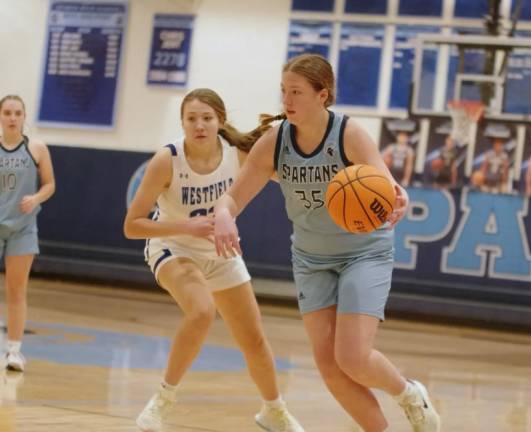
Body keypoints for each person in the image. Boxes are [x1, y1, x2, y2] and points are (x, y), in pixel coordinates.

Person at [211, 54, 440, 432]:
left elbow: (387, 186)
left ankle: (408, 394)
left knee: (353, 357)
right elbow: (232, 198)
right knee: (329, 368)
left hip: (364, 253)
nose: (287, 99)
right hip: (311, 259)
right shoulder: (274, 142)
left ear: (323, 95)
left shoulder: (349, 135)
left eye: (297, 92)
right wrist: (223, 215)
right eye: (284, 91)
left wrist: (400, 197)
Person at [123, 88, 303, 432]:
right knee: (202, 311)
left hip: (220, 251)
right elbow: (132, 225)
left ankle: (274, 410)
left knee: (254, 339)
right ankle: (162, 400)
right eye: (191, 119)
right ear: (182, 123)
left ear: (220, 121)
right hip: (172, 247)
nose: (200, 125)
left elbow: (291, 176)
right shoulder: (167, 159)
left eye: (207, 118)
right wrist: (185, 226)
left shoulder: (238, 155)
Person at [0, 95, 55, 372]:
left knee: (16, 289)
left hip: (22, 227)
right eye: (7, 112)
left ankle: (14, 351)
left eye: (17, 113)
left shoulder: (37, 148)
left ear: (24, 117)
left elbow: (50, 184)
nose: (12, 117)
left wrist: (36, 198)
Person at [380, 119, 416, 188]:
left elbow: (409, 166)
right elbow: (382, 158)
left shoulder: (409, 150)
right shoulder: (392, 147)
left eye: (404, 136)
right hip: (392, 170)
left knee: (408, 163)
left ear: (407, 138)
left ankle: (405, 180)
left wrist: (406, 179)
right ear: (397, 137)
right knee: (387, 158)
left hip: (401, 170)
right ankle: (385, 177)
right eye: (400, 136)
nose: (402, 138)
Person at [477, 124, 510, 194]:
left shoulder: (504, 156)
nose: (498, 147)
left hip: (497, 181)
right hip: (487, 179)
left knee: (498, 192)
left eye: (500, 145)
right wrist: (481, 177)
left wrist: (504, 181)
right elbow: (484, 167)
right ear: (494, 145)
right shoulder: (489, 154)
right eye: (497, 145)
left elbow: (505, 170)